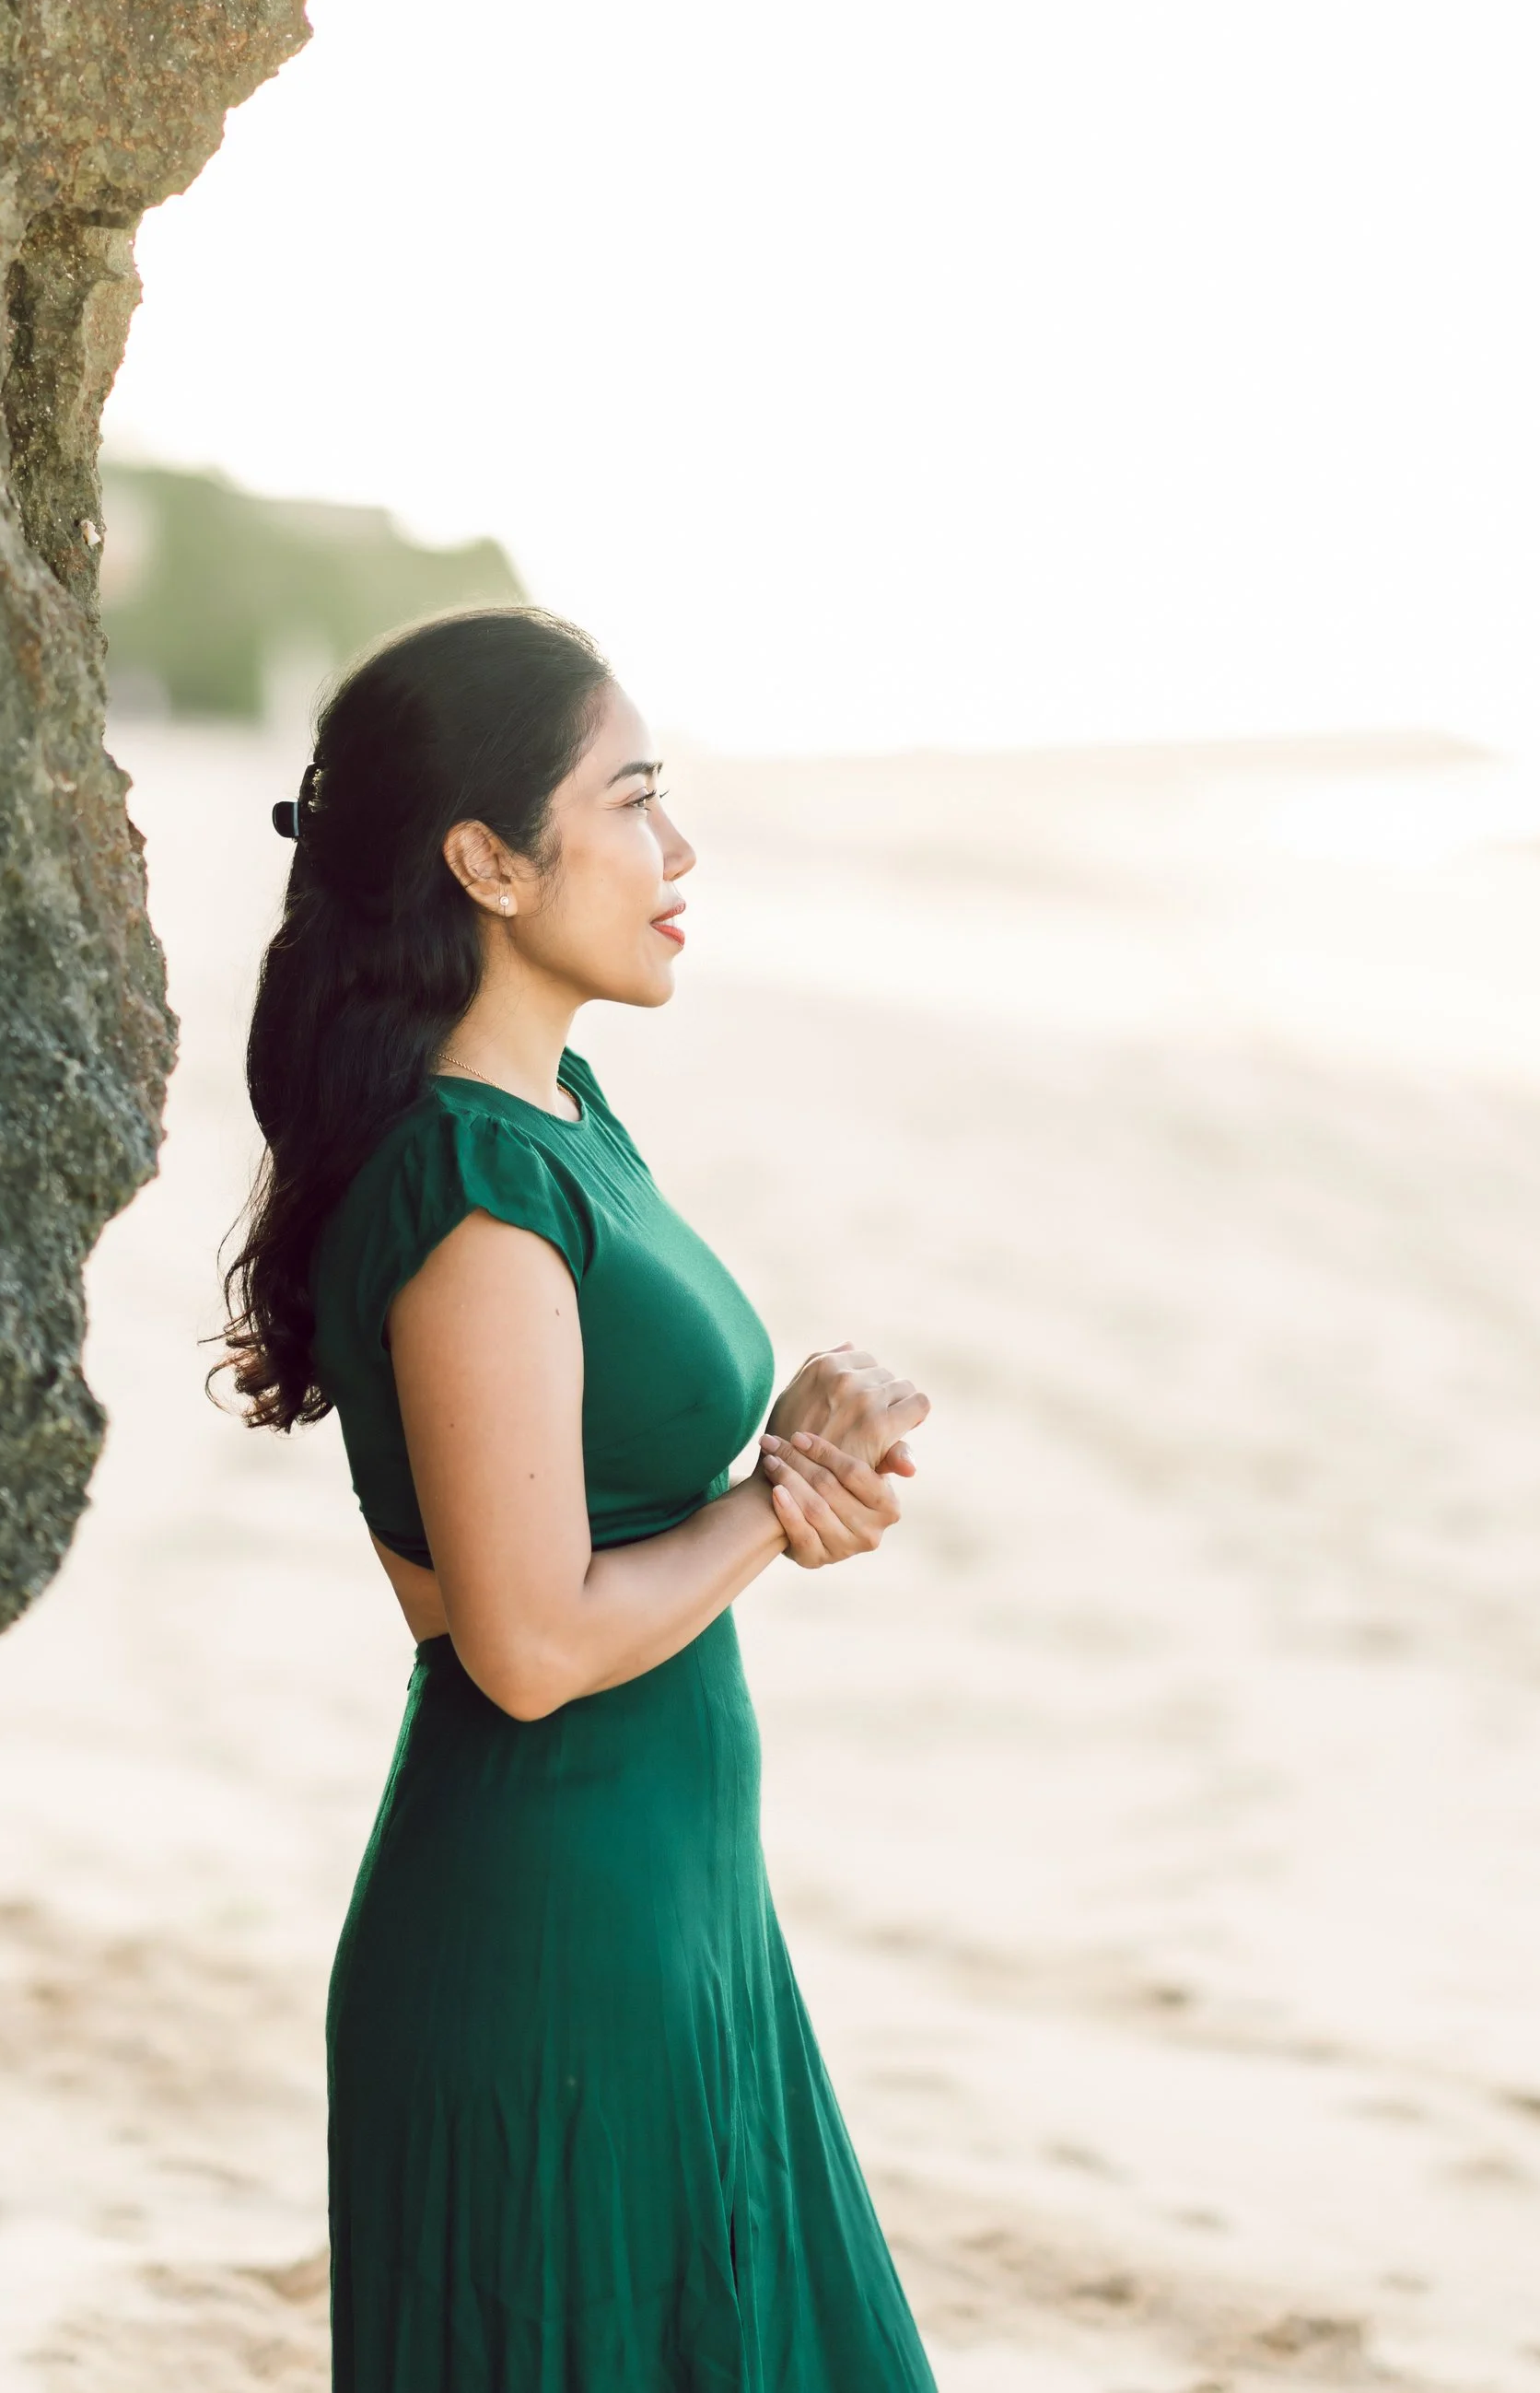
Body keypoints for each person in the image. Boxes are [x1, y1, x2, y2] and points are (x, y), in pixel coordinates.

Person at [224, 603, 939, 2392]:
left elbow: (511, 1553)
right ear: (484, 857)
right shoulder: (472, 1181)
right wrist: (775, 1505)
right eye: (628, 802)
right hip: (554, 1950)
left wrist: (789, 1448)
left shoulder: (556, 1119)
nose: (674, 850)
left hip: (668, 1908)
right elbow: (522, 1643)